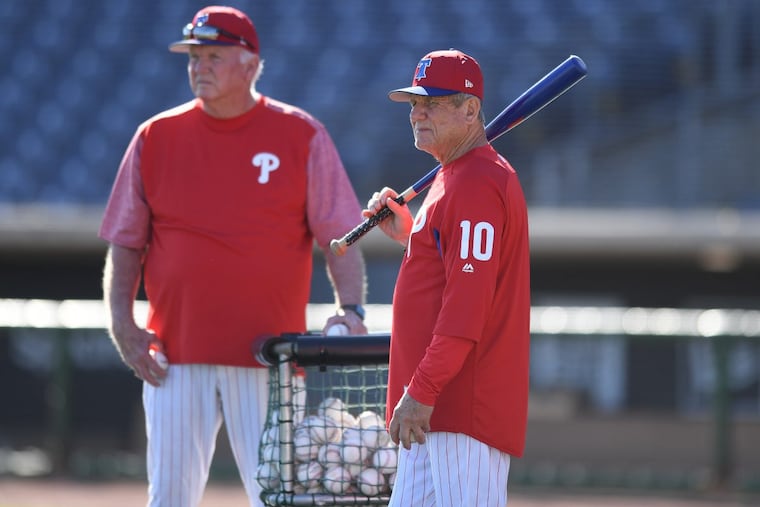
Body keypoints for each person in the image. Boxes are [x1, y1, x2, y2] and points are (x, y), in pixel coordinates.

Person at [99, 6, 367, 506]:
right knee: (170, 498)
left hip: (270, 356)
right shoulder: (155, 136)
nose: (199, 66)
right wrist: (122, 326)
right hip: (175, 357)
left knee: (278, 497)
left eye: (213, 56)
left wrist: (350, 308)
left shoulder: (300, 133)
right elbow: (125, 241)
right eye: (194, 57)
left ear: (249, 65)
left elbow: (341, 236)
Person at [363, 49, 530, 506]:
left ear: (470, 109)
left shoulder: (478, 180)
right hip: (436, 412)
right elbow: (451, 268)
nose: (417, 113)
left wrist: (422, 390)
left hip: (459, 407)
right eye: (415, 103)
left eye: (433, 103)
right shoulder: (458, 175)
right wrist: (411, 233)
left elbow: (466, 310)